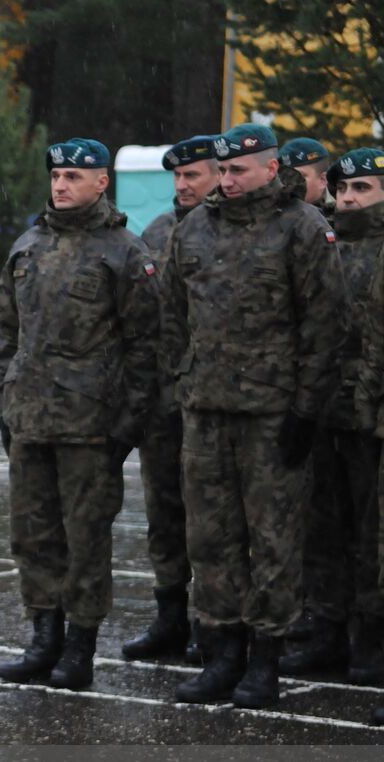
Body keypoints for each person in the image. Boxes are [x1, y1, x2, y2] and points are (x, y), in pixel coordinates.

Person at [164, 124, 345, 708]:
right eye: (223, 171)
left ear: (271, 169)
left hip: (272, 414)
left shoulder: (302, 228)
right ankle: (223, 656)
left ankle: (265, 662)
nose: (228, 180)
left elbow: (326, 327)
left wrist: (305, 410)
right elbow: (171, 314)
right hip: (207, 411)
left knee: (273, 540)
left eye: (239, 170)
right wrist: (182, 381)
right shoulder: (195, 228)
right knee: (211, 540)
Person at [0, 139, 161, 691]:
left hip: (90, 427)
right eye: (56, 175)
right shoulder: (28, 246)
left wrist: (126, 426)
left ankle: (80, 648)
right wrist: (3, 405)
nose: (61, 185)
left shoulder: (125, 252)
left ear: (101, 182)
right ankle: (44, 637)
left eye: (73, 176)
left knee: (86, 540)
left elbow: (145, 346)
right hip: (30, 421)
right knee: (33, 537)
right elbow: (7, 336)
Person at [122, 135, 221, 664]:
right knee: (165, 512)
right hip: (163, 402)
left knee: (217, 520)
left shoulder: (231, 231)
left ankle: (217, 625)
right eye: (177, 178)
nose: (183, 187)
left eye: (193, 177)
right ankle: (170, 617)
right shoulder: (158, 231)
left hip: (215, 400)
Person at [318, 148, 384, 690]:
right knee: (324, 528)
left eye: (362, 188)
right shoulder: (325, 247)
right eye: (342, 189)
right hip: (323, 410)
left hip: (372, 414)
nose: (347, 199)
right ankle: (328, 631)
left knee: (371, 534)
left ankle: (370, 639)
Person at [279, 137, 334, 218]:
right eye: (283, 176)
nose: (288, 183)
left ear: (322, 180)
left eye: (298, 176)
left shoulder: (343, 211)